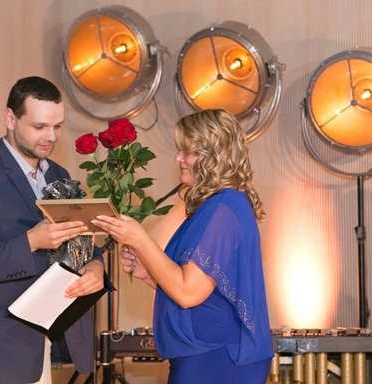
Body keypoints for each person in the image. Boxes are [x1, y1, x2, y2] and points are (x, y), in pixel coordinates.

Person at [0, 76, 105, 384]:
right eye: (40, 126)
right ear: (10, 119)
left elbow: (80, 240)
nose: (51, 136)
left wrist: (96, 266)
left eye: (57, 126)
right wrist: (31, 241)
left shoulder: (59, 174)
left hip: (45, 342)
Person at [92, 109, 273, 383]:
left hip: (216, 358)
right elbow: (202, 292)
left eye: (186, 152)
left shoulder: (223, 208)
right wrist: (148, 273)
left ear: (212, 156)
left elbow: (189, 294)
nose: (178, 158)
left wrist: (141, 239)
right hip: (206, 352)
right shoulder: (217, 206)